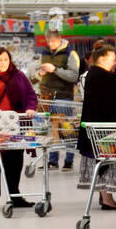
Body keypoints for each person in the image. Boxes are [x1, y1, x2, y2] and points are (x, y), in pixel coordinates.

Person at [0, 46, 37, 210]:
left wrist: (31, 108)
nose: (3, 63)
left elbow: (31, 95)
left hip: (16, 125)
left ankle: (15, 196)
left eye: (5, 59)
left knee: (15, 161)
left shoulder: (19, 76)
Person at [77, 44, 116, 210]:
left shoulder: (93, 75)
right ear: (102, 59)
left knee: (102, 163)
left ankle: (107, 199)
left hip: (95, 129)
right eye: (113, 59)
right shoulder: (103, 77)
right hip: (109, 129)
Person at [38, 28, 81, 171]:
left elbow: (74, 76)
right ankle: (53, 160)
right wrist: (40, 73)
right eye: (48, 41)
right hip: (46, 97)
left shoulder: (71, 53)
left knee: (66, 130)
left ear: (60, 38)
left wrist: (55, 69)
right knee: (51, 130)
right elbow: (39, 75)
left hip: (64, 97)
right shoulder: (44, 52)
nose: (50, 44)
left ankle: (69, 160)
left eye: (53, 41)